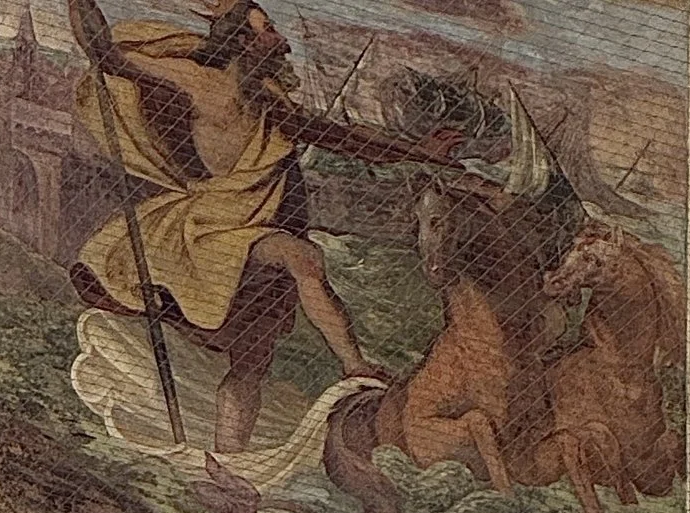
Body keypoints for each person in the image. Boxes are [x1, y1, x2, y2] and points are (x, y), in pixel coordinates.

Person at [63, 0, 462, 459]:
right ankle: (354, 365)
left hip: (254, 230)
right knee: (303, 257)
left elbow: (347, 139)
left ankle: (229, 460)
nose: (283, 43)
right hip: (208, 232)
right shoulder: (202, 86)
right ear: (241, 44)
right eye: (269, 31)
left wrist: (421, 151)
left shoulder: (270, 103)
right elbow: (107, 55)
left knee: (251, 362)